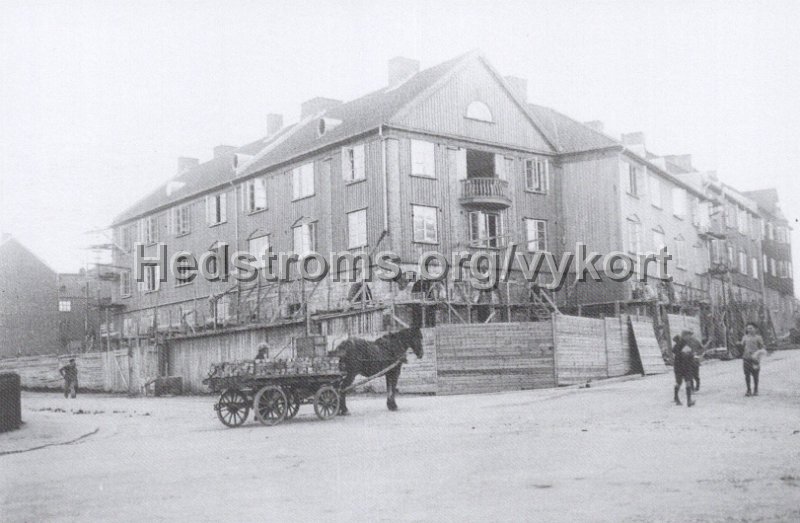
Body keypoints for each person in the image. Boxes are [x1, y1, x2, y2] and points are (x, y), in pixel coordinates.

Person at [740, 322, 766, 397]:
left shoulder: (758, 337)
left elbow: (762, 347)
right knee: (747, 375)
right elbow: (742, 346)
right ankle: (748, 390)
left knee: (755, 375)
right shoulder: (744, 337)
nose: (749, 330)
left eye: (751, 328)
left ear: (755, 329)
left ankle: (756, 390)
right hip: (746, 358)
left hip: (755, 359)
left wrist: (759, 354)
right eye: (748, 328)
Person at [672, 334, 694, 407]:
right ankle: (689, 401)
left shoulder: (675, 347)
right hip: (686, 367)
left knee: (678, 383)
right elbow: (690, 355)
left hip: (677, 367)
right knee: (688, 382)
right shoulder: (686, 346)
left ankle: (676, 398)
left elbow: (675, 355)